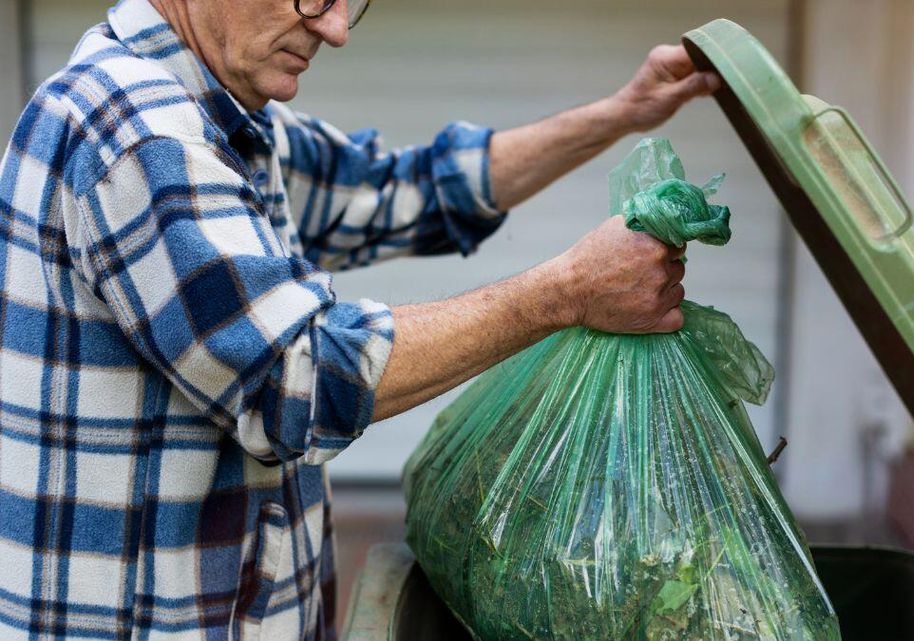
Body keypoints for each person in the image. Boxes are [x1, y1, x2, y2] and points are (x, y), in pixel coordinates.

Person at [0, 0, 719, 638]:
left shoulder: (224, 118)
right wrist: (565, 292)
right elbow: (297, 378)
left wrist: (627, 109)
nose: (337, 29)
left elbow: (410, 189)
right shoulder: (138, 133)